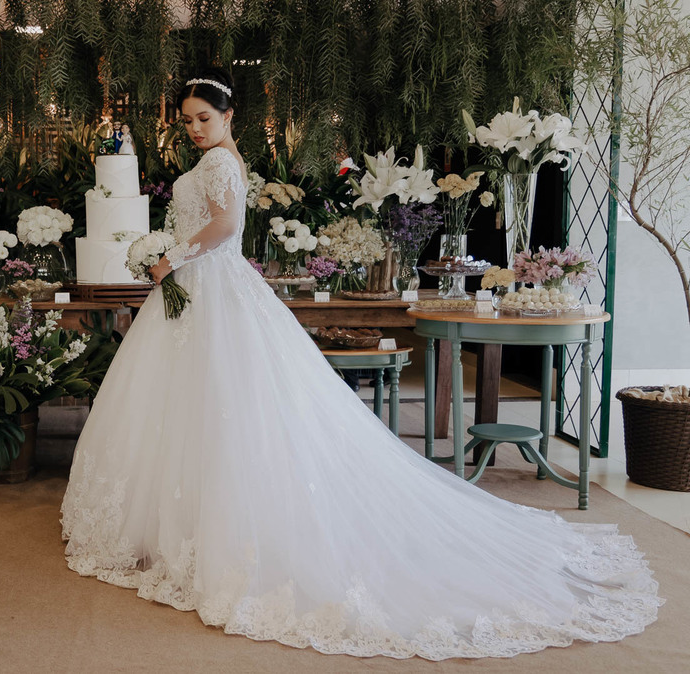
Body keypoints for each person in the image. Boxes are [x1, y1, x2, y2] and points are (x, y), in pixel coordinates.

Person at [60, 67, 661, 660]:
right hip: (200, 287)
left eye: (204, 118)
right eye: (187, 120)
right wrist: (170, 258)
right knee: (201, 404)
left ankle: (211, 531)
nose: (195, 128)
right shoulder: (212, 161)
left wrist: (169, 255)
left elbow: (227, 224)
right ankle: (181, 524)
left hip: (209, 282)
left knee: (224, 401)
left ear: (228, 117)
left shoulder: (220, 162)